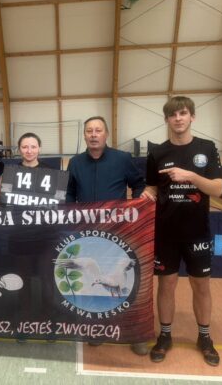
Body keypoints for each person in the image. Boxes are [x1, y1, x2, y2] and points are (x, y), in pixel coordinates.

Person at [141, 96, 222, 367]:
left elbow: (217, 189)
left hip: (197, 232)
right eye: (173, 115)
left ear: (192, 117)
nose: (178, 118)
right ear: (166, 119)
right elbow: (153, 187)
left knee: (201, 285)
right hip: (165, 232)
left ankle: (204, 337)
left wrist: (191, 176)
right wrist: (146, 193)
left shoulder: (207, 148)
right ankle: (165, 336)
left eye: (183, 113)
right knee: (166, 285)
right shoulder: (157, 153)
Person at [66, 116, 147, 355]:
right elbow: (69, 194)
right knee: (97, 284)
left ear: (106, 134)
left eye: (98, 130)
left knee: (130, 284)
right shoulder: (75, 163)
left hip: (119, 233)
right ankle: (99, 328)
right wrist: (71, 216)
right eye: (89, 131)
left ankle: (135, 332)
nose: (93, 134)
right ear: (84, 135)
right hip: (89, 234)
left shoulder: (122, 159)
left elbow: (139, 184)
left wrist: (139, 203)